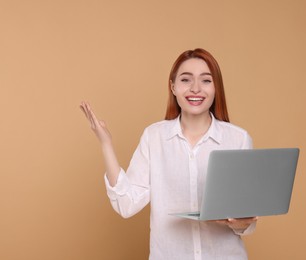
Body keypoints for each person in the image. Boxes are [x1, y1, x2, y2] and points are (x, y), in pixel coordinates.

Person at [80, 48, 258, 260]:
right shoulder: (154, 137)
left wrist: (241, 222)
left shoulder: (238, 139)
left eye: (206, 80)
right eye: (186, 80)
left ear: (216, 87)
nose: (195, 88)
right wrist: (106, 143)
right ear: (173, 87)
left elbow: (246, 221)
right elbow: (126, 204)